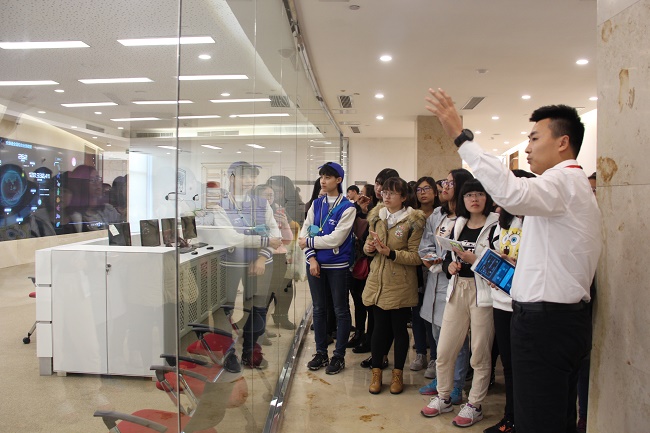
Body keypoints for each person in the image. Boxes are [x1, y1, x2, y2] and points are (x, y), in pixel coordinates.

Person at [426, 88, 601, 433]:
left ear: (563, 142)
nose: (528, 147)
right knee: (555, 417)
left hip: (547, 323)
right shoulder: (568, 185)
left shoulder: (563, 181)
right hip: (559, 320)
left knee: (538, 419)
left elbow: (512, 192)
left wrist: (461, 137)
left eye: (535, 138)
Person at [420, 179, 498, 428]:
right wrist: (449, 266)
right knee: (444, 350)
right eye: (469, 195)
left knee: (479, 353)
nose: (474, 199)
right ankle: (443, 397)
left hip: (482, 294)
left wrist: (476, 260)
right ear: (462, 200)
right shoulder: (458, 224)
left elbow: (500, 267)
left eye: (479, 194)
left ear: (487, 197)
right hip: (457, 290)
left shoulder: (496, 225)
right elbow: (447, 257)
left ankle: (474, 404)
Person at [207, 161, 283, 370]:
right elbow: (231, 238)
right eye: (244, 176)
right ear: (231, 177)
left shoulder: (262, 203)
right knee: (225, 308)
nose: (249, 180)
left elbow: (275, 233)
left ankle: (251, 349)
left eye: (252, 176)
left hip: (261, 263)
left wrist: (262, 256)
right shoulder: (219, 204)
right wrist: (264, 241)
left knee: (258, 308)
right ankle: (228, 352)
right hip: (229, 263)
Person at [484, 169, 536, 433]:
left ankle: (523, 420)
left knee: (527, 366)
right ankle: (511, 417)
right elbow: (496, 252)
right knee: (509, 365)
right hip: (501, 300)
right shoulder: (501, 222)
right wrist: (494, 271)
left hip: (527, 302)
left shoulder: (536, 221)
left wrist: (518, 263)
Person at [363, 176, 425, 394]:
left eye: (392, 193)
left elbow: (416, 257)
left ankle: (398, 374)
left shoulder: (413, 221)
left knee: (399, 330)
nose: (386, 196)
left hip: (400, 284)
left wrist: (390, 253)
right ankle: (376, 373)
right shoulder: (377, 216)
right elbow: (368, 245)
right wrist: (369, 248)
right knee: (378, 329)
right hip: (377, 281)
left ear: (404, 197)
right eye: (384, 192)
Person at [418, 169, 473, 401]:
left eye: (450, 183)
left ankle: (456, 385)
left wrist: (447, 262)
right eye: (445, 182)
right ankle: (442, 379)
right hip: (435, 279)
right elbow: (426, 244)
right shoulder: (437, 215)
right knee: (437, 333)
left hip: (456, 282)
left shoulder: (468, 217)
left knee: (456, 338)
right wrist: (430, 258)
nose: (445, 187)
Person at [299, 162, 356, 375]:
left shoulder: (348, 207)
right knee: (319, 309)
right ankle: (321, 352)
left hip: (337, 266)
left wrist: (309, 242)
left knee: (341, 310)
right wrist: (312, 258)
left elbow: (335, 239)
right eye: (322, 176)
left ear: (338, 180)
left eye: (328, 177)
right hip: (315, 264)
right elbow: (304, 233)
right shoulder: (316, 204)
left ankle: (338, 355)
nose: (323, 181)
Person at [358, 168, 399, 368]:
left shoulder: (403, 215)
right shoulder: (374, 209)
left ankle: (381, 355)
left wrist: (388, 251)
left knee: (389, 320)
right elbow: (366, 238)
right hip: (374, 269)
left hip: (394, 272)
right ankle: (374, 352)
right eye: (377, 183)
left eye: (384, 185)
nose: (379, 188)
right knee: (374, 313)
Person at [409, 176, 440, 372]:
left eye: (427, 188)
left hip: (435, 269)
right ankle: (420, 353)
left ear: (435, 192)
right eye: (419, 190)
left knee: (432, 314)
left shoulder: (441, 214)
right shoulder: (412, 216)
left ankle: (435, 357)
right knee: (417, 312)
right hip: (415, 268)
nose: (423, 193)